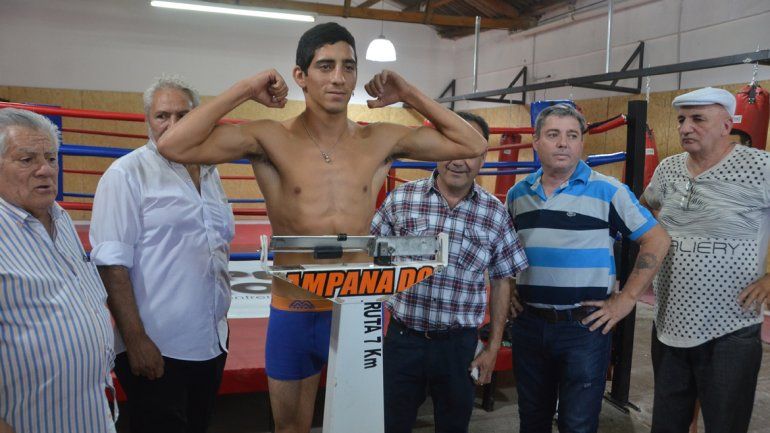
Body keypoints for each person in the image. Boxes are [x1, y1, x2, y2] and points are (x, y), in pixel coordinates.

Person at [157, 22, 487, 433]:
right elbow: (172, 146)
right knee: (290, 428)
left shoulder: (379, 138)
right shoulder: (269, 137)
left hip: (357, 307)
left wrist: (407, 93)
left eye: (348, 67)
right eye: (325, 66)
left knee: (359, 423)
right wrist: (244, 89)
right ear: (301, 76)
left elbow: (472, 145)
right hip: (295, 306)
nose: (338, 77)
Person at [506, 104, 670, 433]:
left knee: (578, 424)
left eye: (572, 135)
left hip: (583, 328)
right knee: (531, 419)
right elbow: (508, 250)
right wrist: (509, 285)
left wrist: (626, 299)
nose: (563, 143)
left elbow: (657, 239)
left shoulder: (609, 191)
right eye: (553, 135)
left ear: (582, 142)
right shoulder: (517, 194)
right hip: (529, 324)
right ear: (536, 141)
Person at [89, 76, 234, 433]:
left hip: (211, 341)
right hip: (158, 346)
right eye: (162, 116)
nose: (172, 125)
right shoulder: (126, 174)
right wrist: (135, 340)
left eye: (183, 116)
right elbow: (111, 265)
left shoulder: (211, 171)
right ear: (147, 121)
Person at [370, 111, 528, 433]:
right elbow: (369, 260)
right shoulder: (401, 199)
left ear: (483, 156)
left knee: (454, 426)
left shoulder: (494, 213)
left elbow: (502, 281)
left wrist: (494, 346)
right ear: (437, 149)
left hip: (459, 347)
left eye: (470, 152)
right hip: (403, 339)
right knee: (389, 424)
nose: (459, 161)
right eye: (451, 147)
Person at [641, 87, 770, 433]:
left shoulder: (760, 167)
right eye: (682, 119)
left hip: (730, 327)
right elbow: (644, 211)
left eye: (698, 119)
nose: (685, 127)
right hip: (670, 322)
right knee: (667, 424)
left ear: (727, 125)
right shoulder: (668, 169)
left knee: (725, 424)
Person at [0, 108, 115, 433]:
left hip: (92, 417)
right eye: (26, 160)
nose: (45, 170)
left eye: (51, 158)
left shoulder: (60, 217)